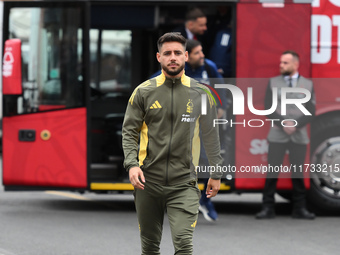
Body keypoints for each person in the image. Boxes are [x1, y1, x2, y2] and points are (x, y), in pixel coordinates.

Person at [122, 32, 223, 254]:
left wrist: (216, 173)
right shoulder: (143, 92)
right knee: (149, 248)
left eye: (178, 53)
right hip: (148, 182)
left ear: (186, 56)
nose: (173, 57)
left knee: (184, 245)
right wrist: (132, 165)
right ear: (159, 57)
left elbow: (211, 135)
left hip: (184, 182)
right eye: (167, 53)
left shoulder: (201, 93)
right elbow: (129, 131)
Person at [256, 50, 316, 220]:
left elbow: (311, 111)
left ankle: (300, 209)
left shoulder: (308, 84)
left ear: (295, 64)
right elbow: (268, 106)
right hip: (277, 134)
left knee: (298, 172)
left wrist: (296, 125)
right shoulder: (273, 82)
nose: (281, 66)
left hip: (299, 134)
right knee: (272, 171)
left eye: (285, 63)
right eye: (281, 62)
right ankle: (267, 208)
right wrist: (284, 123)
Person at [185, 39, 227, 222]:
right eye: (197, 53)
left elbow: (220, 86)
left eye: (201, 51)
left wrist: (221, 106)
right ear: (186, 56)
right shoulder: (177, 69)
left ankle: (204, 199)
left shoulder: (208, 66)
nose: (202, 55)